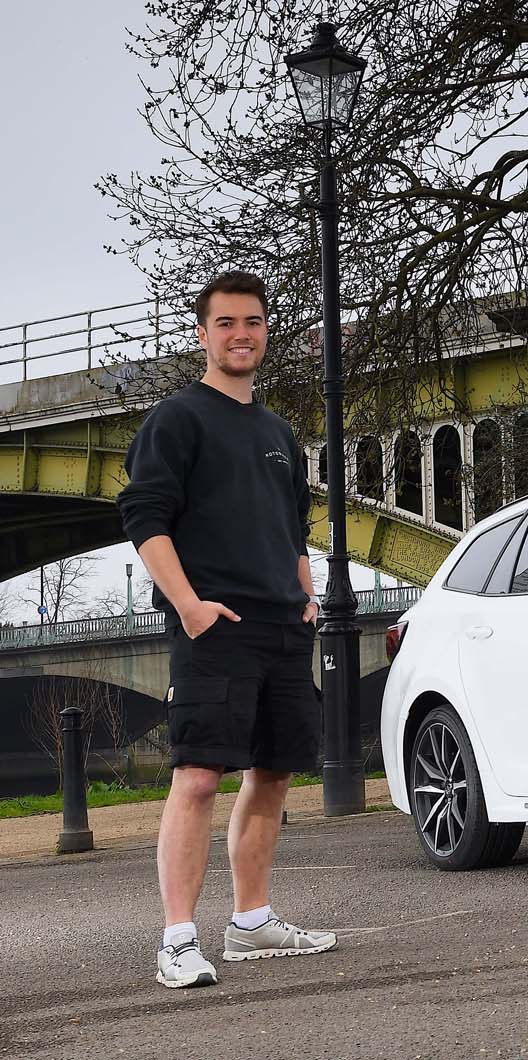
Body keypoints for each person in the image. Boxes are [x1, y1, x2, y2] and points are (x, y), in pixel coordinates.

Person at [117, 271, 336, 988]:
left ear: (265, 330)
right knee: (200, 775)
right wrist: (189, 606)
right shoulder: (177, 420)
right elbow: (144, 517)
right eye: (227, 323)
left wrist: (307, 600)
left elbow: (294, 533)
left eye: (253, 322)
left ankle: (250, 923)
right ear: (203, 334)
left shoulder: (278, 433)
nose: (241, 334)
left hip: (281, 624)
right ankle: (177, 940)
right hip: (216, 625)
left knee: (272, 772)